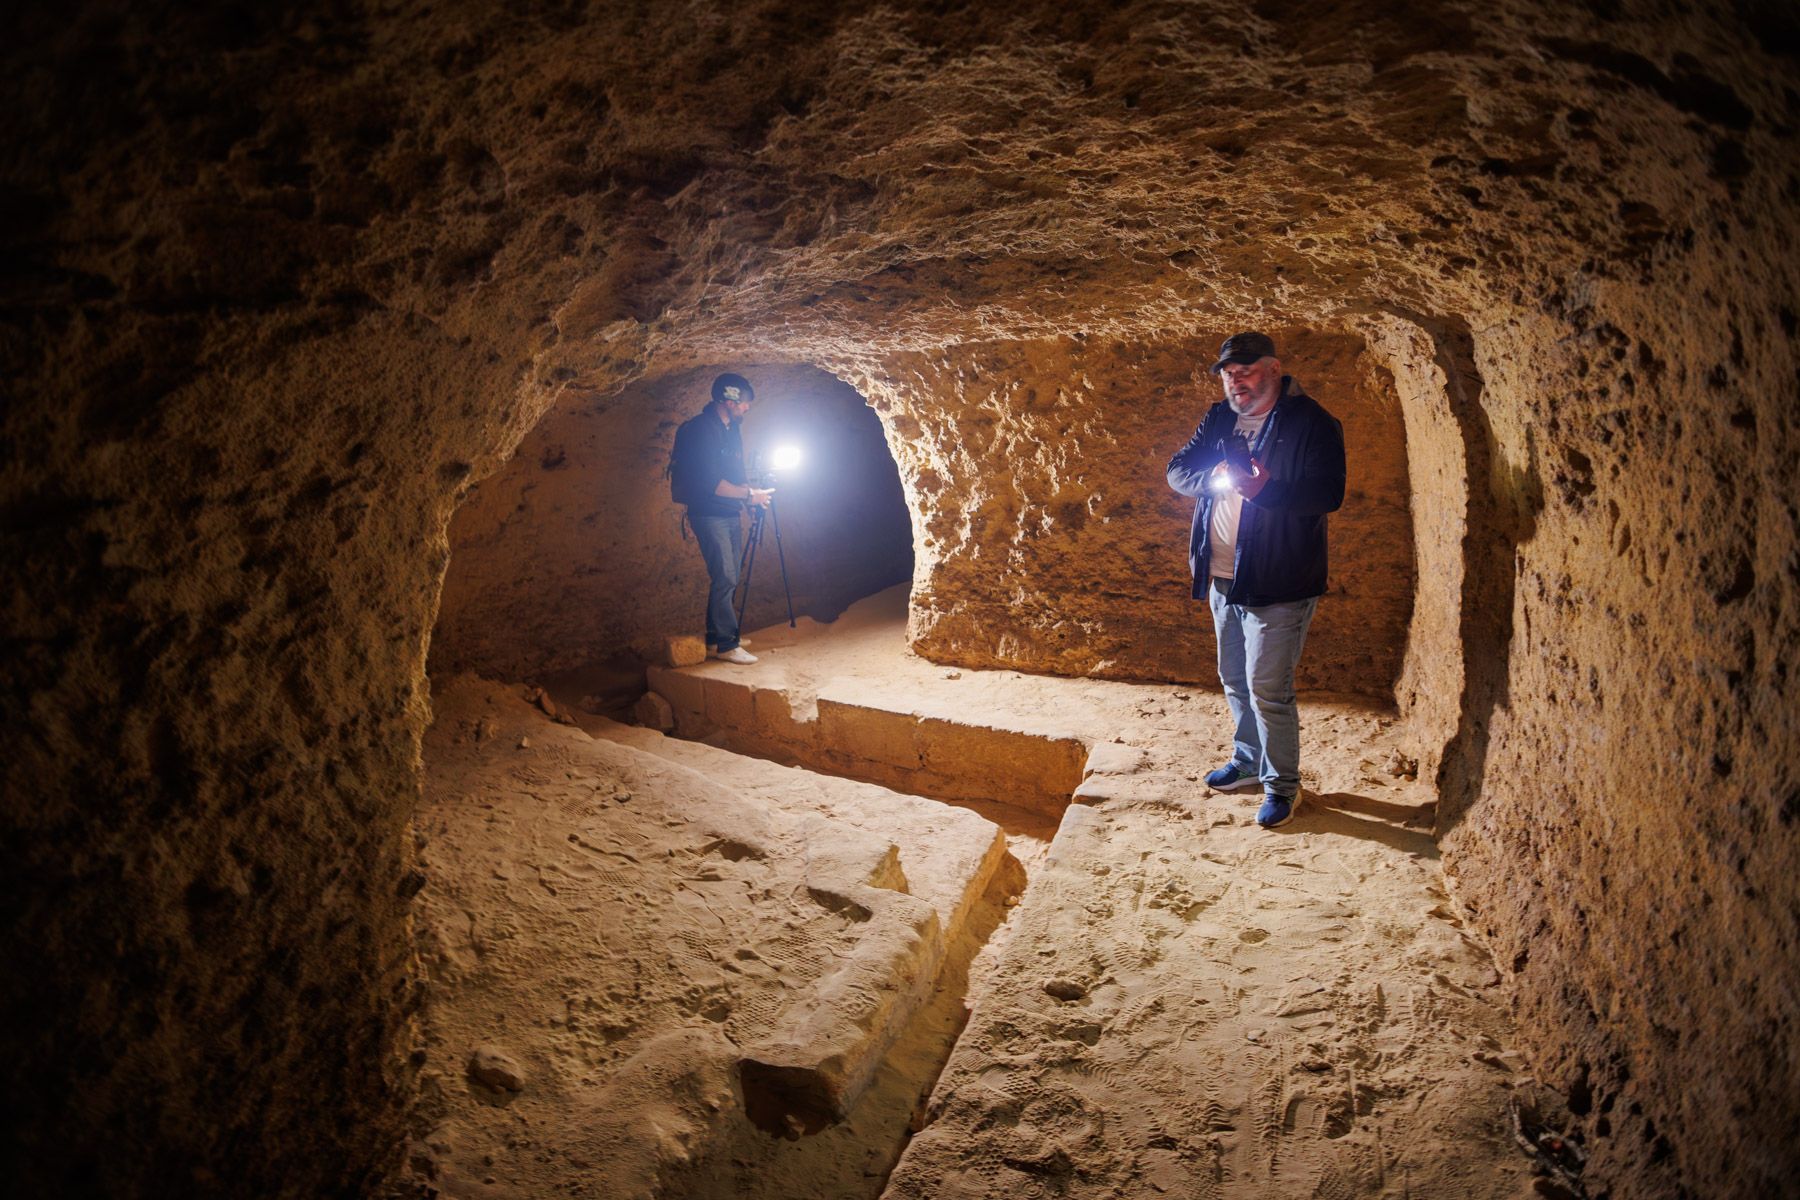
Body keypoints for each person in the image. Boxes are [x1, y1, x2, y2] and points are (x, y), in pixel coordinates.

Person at [1166, 332, 1345, 828]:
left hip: (1280, 579)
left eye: (1245, 370)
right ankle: (1248, 761)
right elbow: (1177, 471)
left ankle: (1282, 784)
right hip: (1223, 576)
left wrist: (1267, 488)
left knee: (1268, 688)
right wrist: (1213, 476)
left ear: (1273, 369)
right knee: (1234, 679)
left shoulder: (1311, 422)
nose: (1235, 380)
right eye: (1227, 372)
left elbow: (1328, 495)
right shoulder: (1220, 418)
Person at [670, 373, 773, 664]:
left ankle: (717, 639)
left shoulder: (730, 429)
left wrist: (749, 501)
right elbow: (711, 483)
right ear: (729, 401)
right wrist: (749, 495)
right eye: (744, 404)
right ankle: (728, 644)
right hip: (708, 512)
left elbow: (736, 474)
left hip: (728, 511)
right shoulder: (701, 430)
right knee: (725, 575)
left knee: (729, 576)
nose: (747, 409)